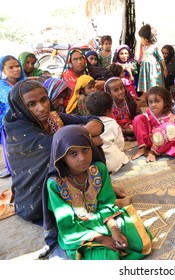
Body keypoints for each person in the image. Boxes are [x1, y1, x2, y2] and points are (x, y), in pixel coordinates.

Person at [3, 79, 104, 224]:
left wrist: (82, 135)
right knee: (77, 152)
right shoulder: (19, 131)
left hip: (64, 179)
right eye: (32, 104)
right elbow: (56, 148)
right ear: (21, 107)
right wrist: (88, 140)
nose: (42, 108)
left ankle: (93, 192)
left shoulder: (53, 118)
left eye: (44, 100)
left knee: (80, 150)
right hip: (36, 199)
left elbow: (95, 121)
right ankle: (83, 199)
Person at [46, 125, 152, 259]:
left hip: (104, 218)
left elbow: (106, 203)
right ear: (62, 156)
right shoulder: (55, 184)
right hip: (80, 230)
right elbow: (66, 224)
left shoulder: (98, 169)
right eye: (73, 153)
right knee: (107, 257)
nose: (82, 158)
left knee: (140, 241)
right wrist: (101, 239)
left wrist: (114, 230)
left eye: (85, 150)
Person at [131, 86, 175, 162]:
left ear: (165, 102)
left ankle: (153, 153)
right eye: (150, 102)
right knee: (138, 118)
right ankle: (143, 147)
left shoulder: (172, 118)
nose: (153, 105)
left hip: (166, 145)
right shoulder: (149, 112)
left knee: (170, 127)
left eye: (157, 101)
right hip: (152, 140)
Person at [86, 91, 130, 174]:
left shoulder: (87, 125)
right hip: (114, 162)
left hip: (96, 165)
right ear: (109, 110)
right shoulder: (112, 122)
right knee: (121, 155)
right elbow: (120, 143)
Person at [137, 24, 168, 101]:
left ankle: (154, 97)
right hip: (145, 69)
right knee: (146, 82)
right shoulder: (144, 47)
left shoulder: (154, 47)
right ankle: (145, 96)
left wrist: (164, 69)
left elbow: (161, 59)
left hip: (153, 70)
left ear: (146, 39)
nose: (141, 40)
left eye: (141, 38)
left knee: (153, 82)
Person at [0, 55, 25, 129]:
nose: (16, 69)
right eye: (11, 67)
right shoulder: (2, 85)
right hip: (9, 121)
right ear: (3, 70)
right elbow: (12, 98)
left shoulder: (24, 83)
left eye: (17, 66)